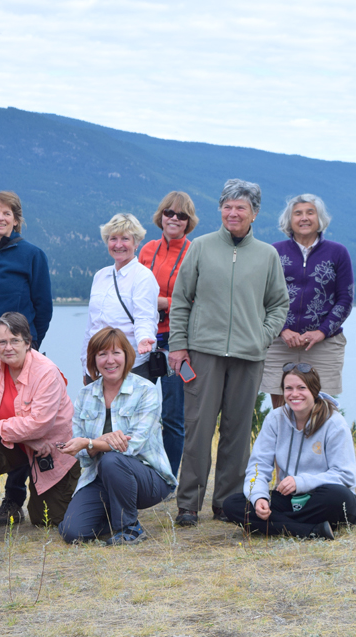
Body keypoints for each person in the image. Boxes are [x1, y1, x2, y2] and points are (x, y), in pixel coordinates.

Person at [169, 179, 289, 527]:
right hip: (203, 352)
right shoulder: (201, 248)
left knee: (238, 433)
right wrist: (179, 344)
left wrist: (262, 337)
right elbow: (180, 300)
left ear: (254, 213)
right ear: (220, 209)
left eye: (241, 207)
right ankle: (188, 504)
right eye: (227, 206)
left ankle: (227, 502)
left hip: (248, 357)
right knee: (198, 430)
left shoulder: (267, 255)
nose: (233, 213)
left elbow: (278, 304)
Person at [0, 191, 53, 526]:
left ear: (16, 219)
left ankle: (13, 499)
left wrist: (29, 347)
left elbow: (43, 306)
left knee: (22, 418)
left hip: (21, 350)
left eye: (7, 214)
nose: (0, 218)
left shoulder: (32, 255)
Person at [59, 328, 176, 545]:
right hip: (100, 477)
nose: (110, 360)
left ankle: (130, 528)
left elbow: (133, 446)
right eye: (102, 354)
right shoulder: (85, 395)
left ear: (127, 356)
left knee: (112, 459)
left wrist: (91, 443)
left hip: (148, 477)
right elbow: (83, 456)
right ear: (94, 360)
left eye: (116, 353)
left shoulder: (146, 390)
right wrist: (93, 444)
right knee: (71, 532)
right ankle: (115, 516)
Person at [0, 312, 80, 527]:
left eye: (14, 341)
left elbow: (39, 424)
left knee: (46, 520)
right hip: (25, 445)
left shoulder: (47, 372)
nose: (8, 347)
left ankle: (88, 493)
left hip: (52, 449)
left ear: (28, 343)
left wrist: (3, 430)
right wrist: (29, 439)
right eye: (2, 342)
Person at [222, 363, 356, 539]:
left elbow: (345, 476)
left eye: (301, 388)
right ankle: (310, 531)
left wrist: (301, 482)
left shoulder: (334, 422)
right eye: (289, 388)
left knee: (340, 498)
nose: (294, 394)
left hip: (321, 498)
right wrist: (259, 498)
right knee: (232, 504)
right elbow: (258, 466)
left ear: (314, 390)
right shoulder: (275, 418)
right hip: (289, 498)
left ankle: (278, 525)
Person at [261, 195, 353, 409]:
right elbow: (262, 297)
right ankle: (286, 444)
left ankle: (319, 445)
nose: (304, 218)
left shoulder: (338, 252)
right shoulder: (273, 252)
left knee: (323, 410)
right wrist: (282, 330)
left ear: (320, 218)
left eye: (310, 212)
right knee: (282, 411)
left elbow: (345, 298)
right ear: (289, 220)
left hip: (325, 345)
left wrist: (321, 332)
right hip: (279, 344)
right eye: (298, 213)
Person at [138, 192, 199, 476]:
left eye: (181, 215)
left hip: (177, 341)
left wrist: (165, 303)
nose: (174, 219)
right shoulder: (147, 249)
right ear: (160, 216)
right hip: (146, 340)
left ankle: (169, 476)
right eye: (169, 213)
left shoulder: (194, 252)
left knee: (173, 415)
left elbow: (201, 300)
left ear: (189, 222)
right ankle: (142, 469)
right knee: (140, 410)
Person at [81, 213, 158, 382]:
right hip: (97, 365)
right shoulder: (100, 276)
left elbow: (145, 317)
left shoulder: (143, 276)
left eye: (125, 239)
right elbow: (92, 324)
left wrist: (144, 339)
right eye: (113, 238)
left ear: (136, 242)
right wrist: (85, 362)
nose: (118, 245)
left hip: (130, 365)